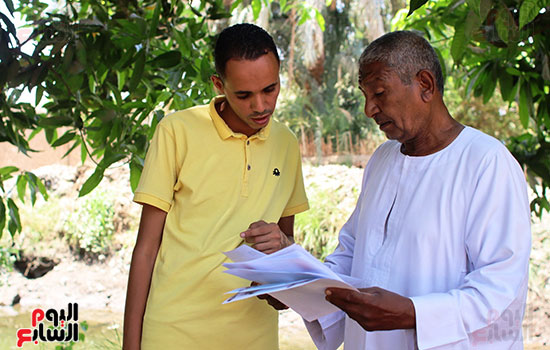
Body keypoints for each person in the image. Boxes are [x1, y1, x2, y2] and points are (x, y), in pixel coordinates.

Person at [303, 30, 531, 349]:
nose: (369, 109)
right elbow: (353, 249)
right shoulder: (382, 159)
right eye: (366, 96)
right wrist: (301, 288)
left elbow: (500, 285)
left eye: (380, 93)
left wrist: (413, 314)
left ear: (425, 85)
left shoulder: (485, 162)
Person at [122, 23, 309, 350]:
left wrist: (281, 275)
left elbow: (285, 247)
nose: (261, 106)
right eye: (244, 95)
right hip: (173, 332)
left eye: (270, 89)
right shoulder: (176, 132)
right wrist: (130, 345)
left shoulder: (287, 144)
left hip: (255, 337)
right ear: (219, 85)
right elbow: (146, 248)